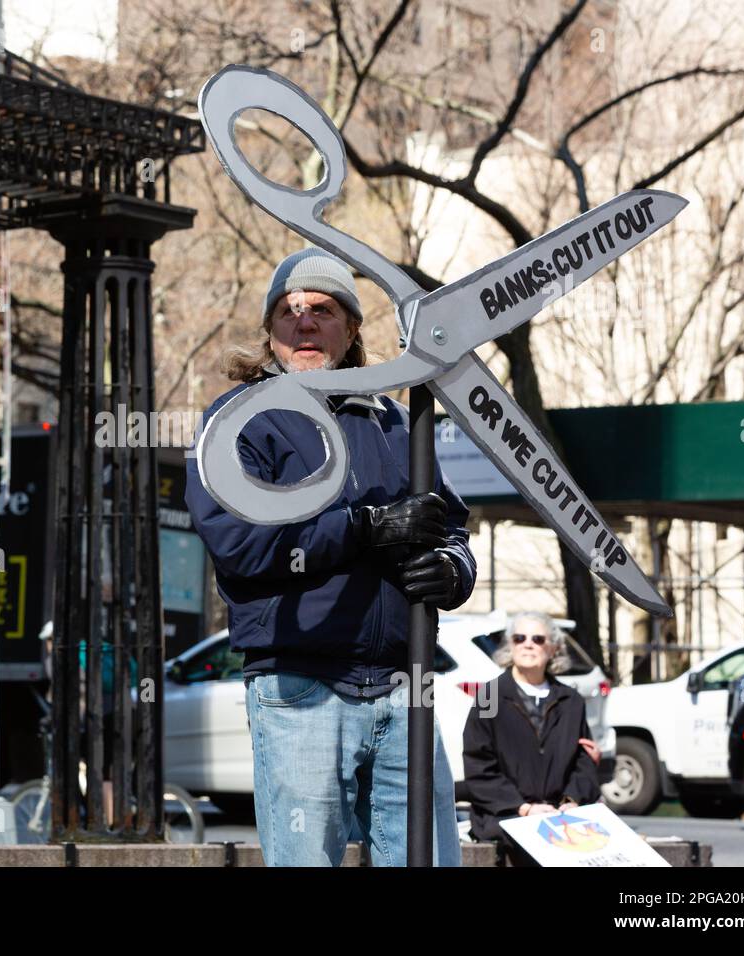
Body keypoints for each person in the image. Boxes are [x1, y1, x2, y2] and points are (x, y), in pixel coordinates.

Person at [184, 248, 477, 866]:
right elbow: (239, 545)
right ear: (270, 332)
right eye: (289, 313)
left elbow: (450, 523)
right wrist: (362, 528)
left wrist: (454, 568)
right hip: (300, 686)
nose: (305, 323)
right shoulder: (238, 423)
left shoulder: (397, 421)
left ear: (351, 330)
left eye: (323, 309)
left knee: (431, 862)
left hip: (404, 686)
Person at [462, 611, 602, 860]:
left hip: (560, 817)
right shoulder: (489, 697)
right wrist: (524, 808)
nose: (528, 644)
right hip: (505, 817)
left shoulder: (571, 701)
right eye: (519, 638)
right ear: (510, 645)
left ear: (553, 649)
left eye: (538, 639)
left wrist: (572, 800)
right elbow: (479, 768)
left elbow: (583, 760)